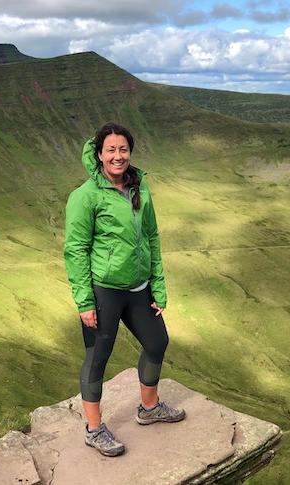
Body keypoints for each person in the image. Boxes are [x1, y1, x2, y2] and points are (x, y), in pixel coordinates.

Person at [64, 122, 186, 457]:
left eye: (123, 149)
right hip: (104, 290)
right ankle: (94, 429)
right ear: (99, 154)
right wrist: (85, 301)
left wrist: (157, 286)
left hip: (139, 286)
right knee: (97, 357)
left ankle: (149, 408)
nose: (118, 156)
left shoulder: (139, 188)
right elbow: (75, 250)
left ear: (130, 152)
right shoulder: (85, 196)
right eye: (111, 150)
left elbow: (152, 237)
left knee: (157, 341)